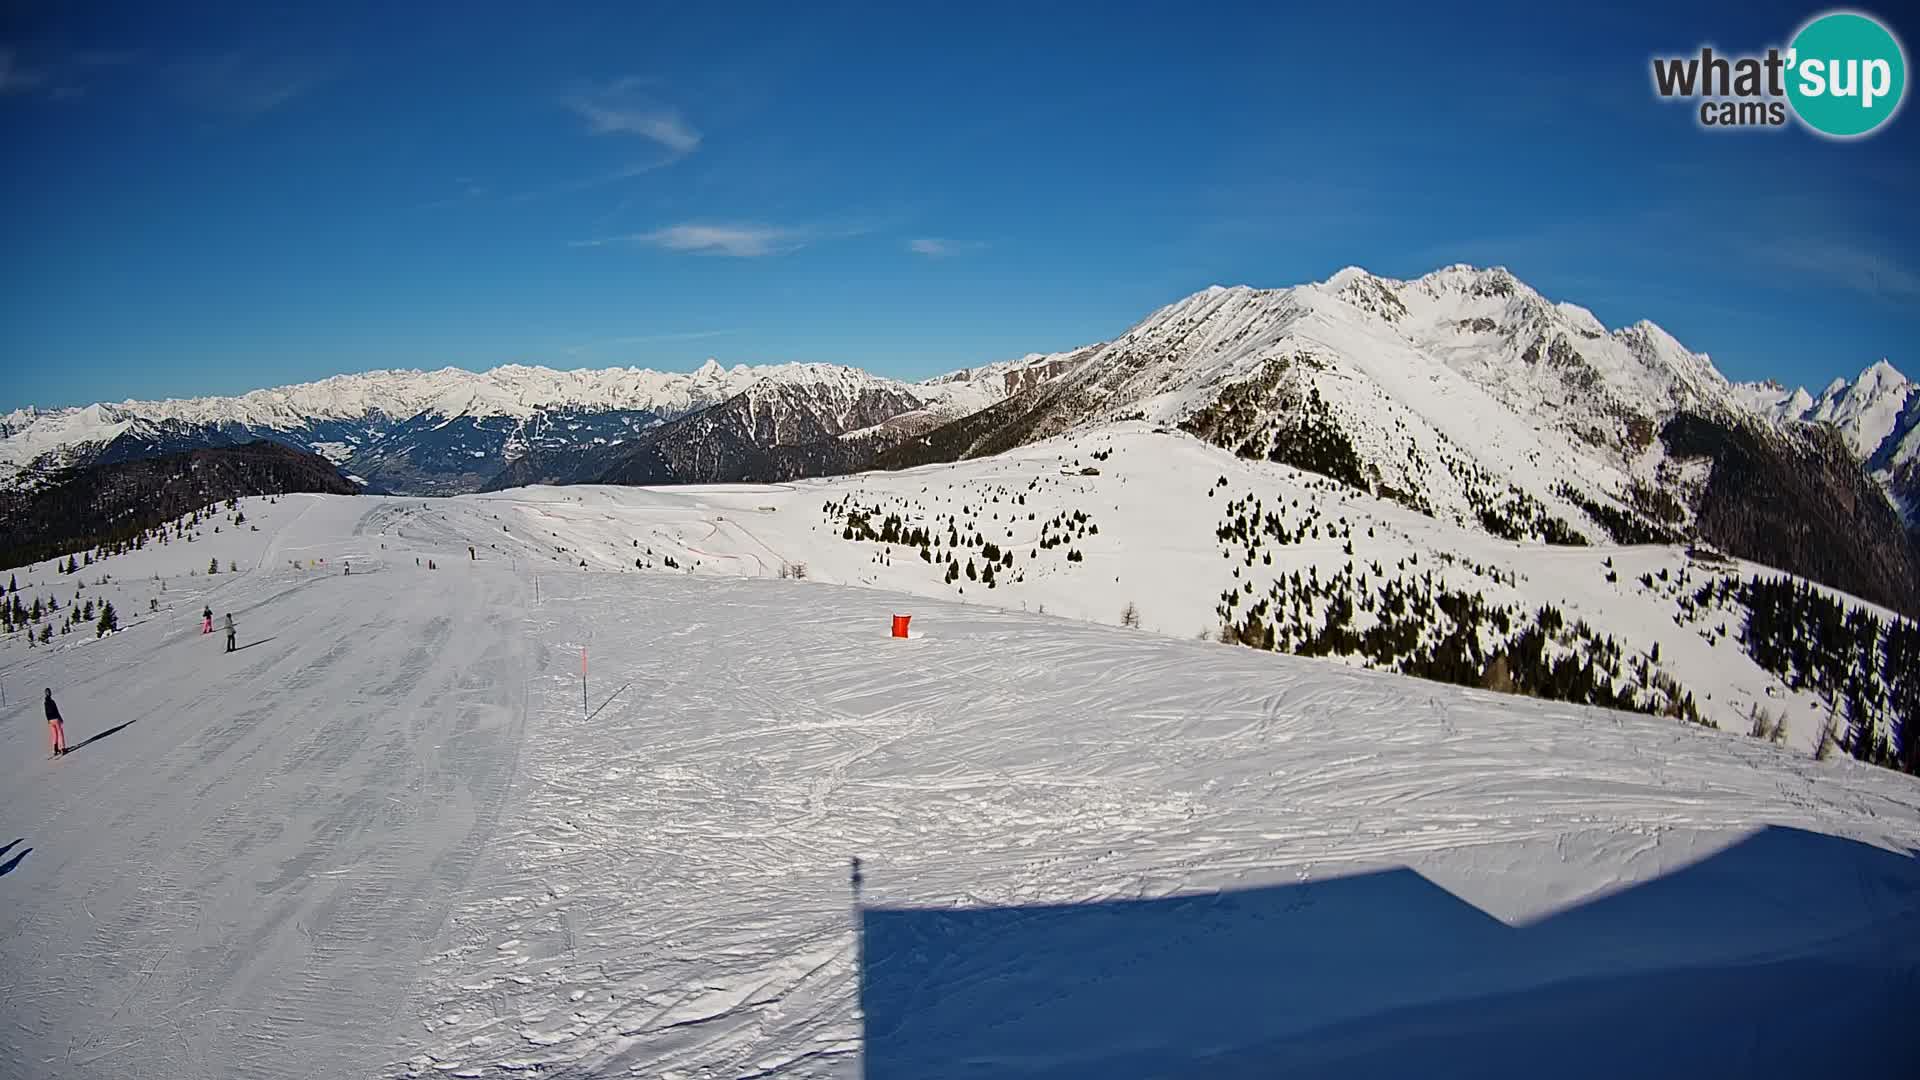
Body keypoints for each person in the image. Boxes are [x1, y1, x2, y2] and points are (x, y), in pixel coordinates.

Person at [45, 689, 66, 757]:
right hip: (56, 719)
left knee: (54, 734)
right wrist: (60, 718)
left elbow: (46, 712)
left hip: (50, 720)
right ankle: (63, 748)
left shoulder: (45, 703)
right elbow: (56, 710)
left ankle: (55, 749)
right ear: (50, 693)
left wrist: (48, 720)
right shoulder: (52, 701)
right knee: (60, 733)